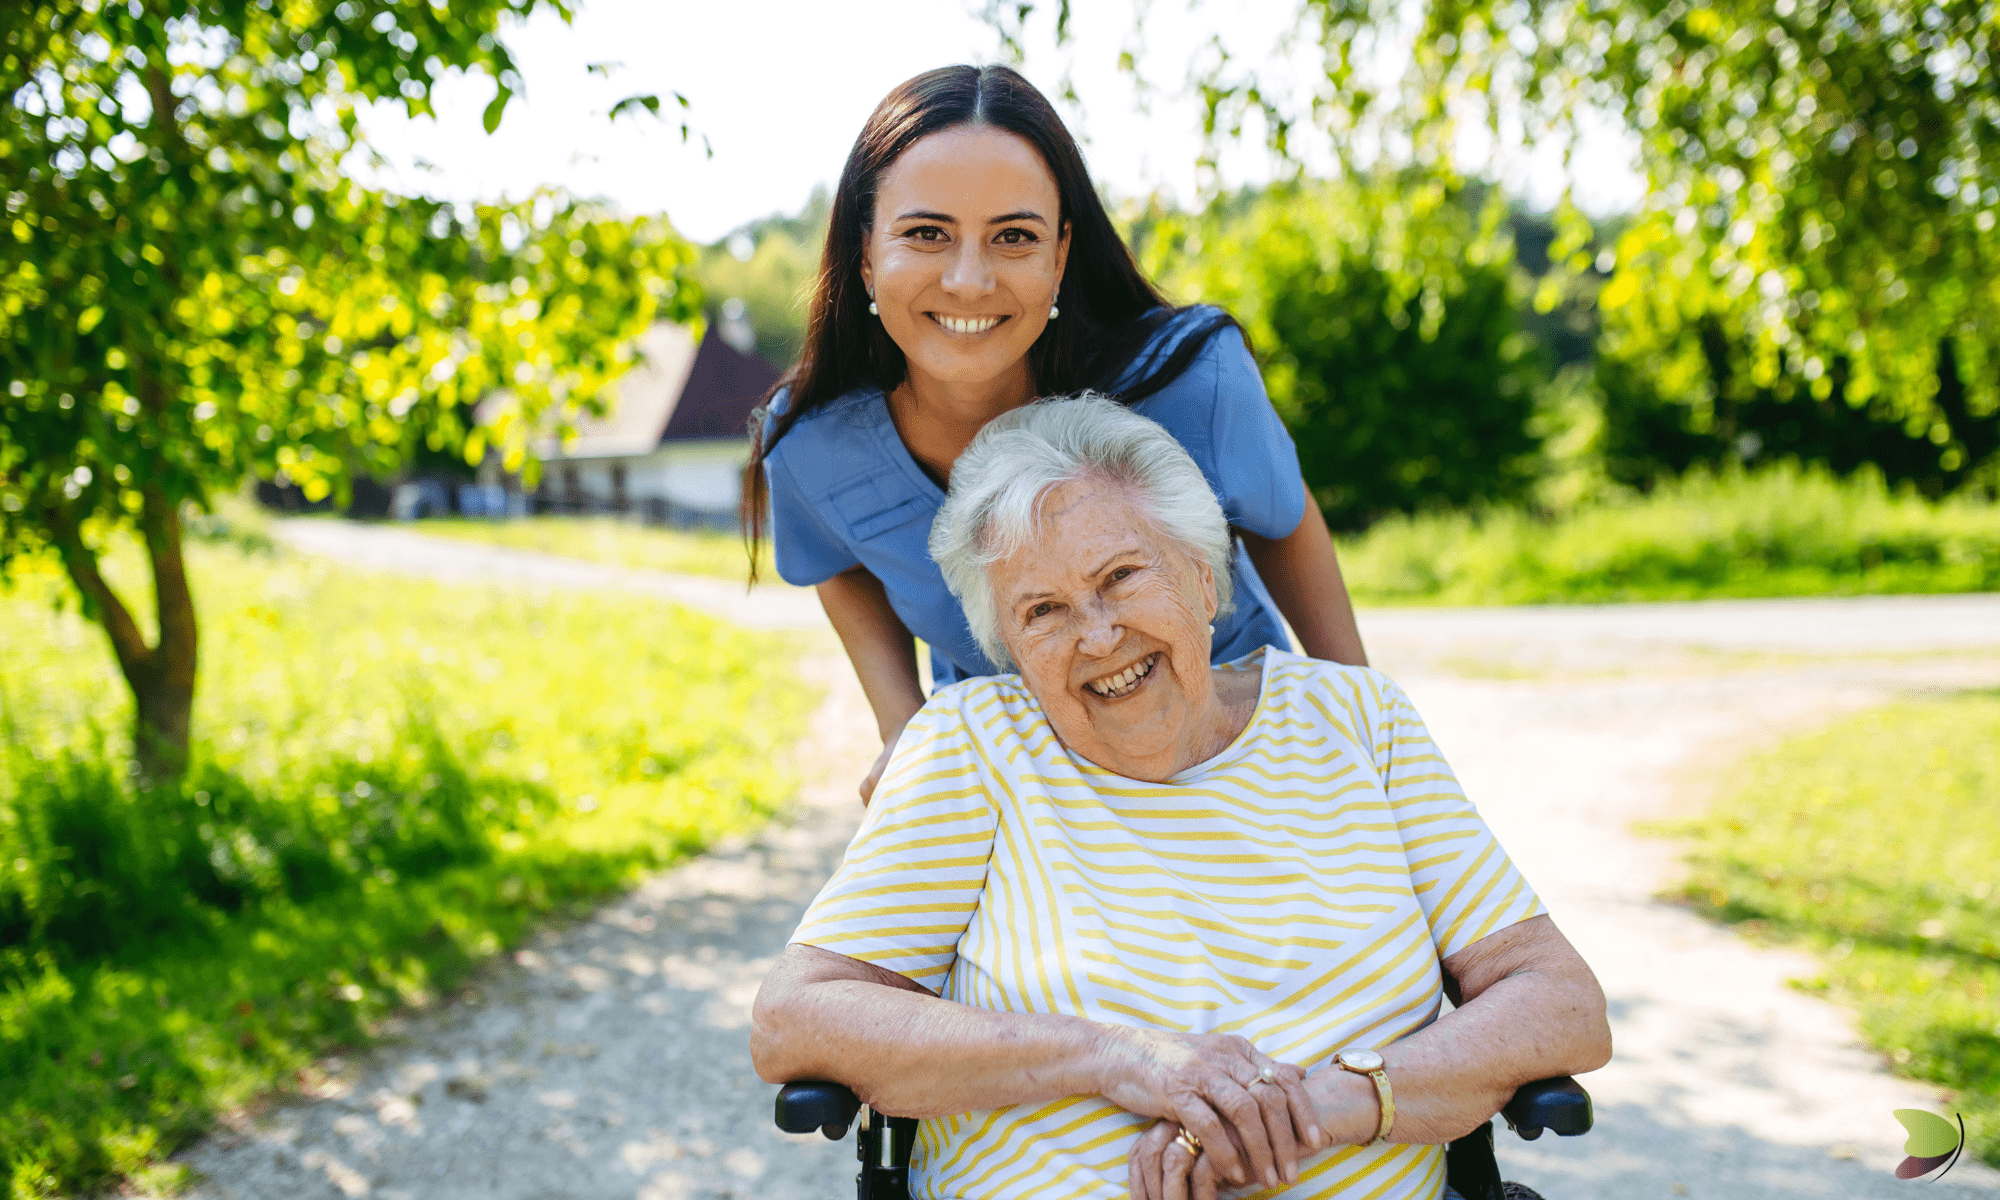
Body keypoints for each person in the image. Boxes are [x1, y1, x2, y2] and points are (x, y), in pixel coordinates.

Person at [752, 397, 1612, 1200]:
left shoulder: (1357, 720)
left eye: (1123, 577)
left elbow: (1559, 1001)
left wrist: (1311, 1109)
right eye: (1043, 611)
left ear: (1205, 577)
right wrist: (1119, 1060)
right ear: (1007, 646)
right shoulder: (973, 746)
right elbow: (798, 1019)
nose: (1097, 635)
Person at [747, 64, 1370, 801]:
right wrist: (902, 725)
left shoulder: (1192, 382)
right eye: (926, 234)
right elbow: (836, 559)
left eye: (1013, 236)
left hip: (1237, 748)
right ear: (866, 257)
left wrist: (1361, 716)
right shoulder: (812, 445)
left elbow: (1284, 522)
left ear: (1060, 255)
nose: (970, 281)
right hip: (1020, 780)